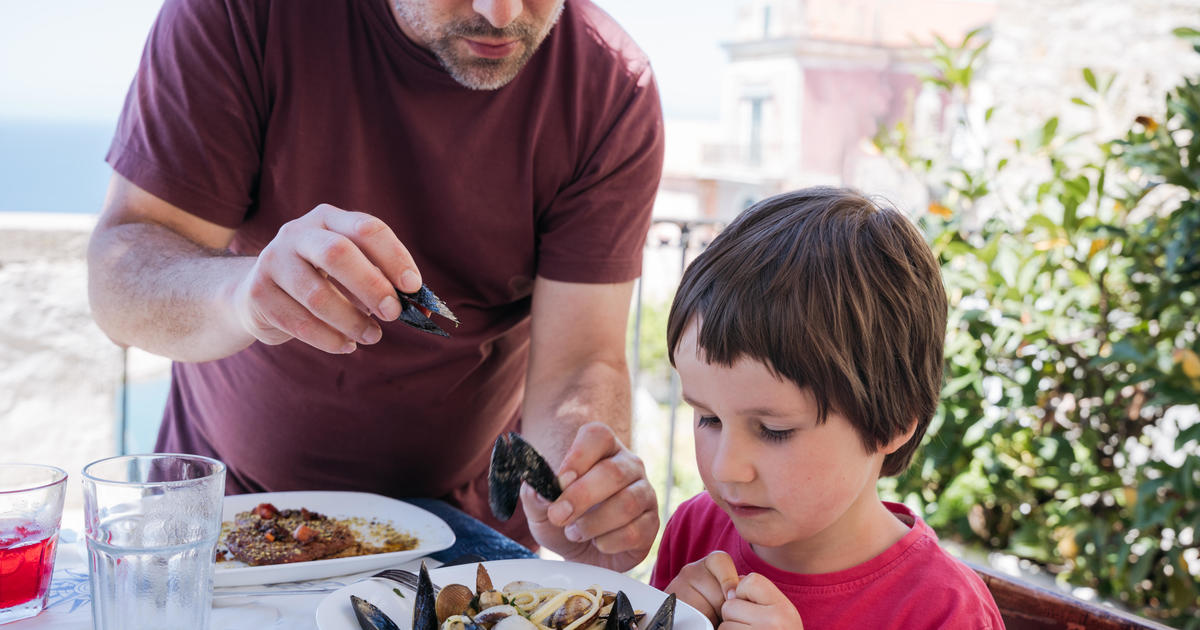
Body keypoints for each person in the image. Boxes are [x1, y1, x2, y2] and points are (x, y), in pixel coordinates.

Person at [86, 0, 663, 571]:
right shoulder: (237, 14)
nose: (502, 13)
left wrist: (581, 495)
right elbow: (120, 279)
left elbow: (581, 358)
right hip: (224, 519)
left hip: (463, 547)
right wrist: (246, 296)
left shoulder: (610, 84)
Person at [649, 188, 1005, 628]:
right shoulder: (694, 532)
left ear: (891, 422)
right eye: (709, 418)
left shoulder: (945, 611)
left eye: (774, 430)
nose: (726, 468)